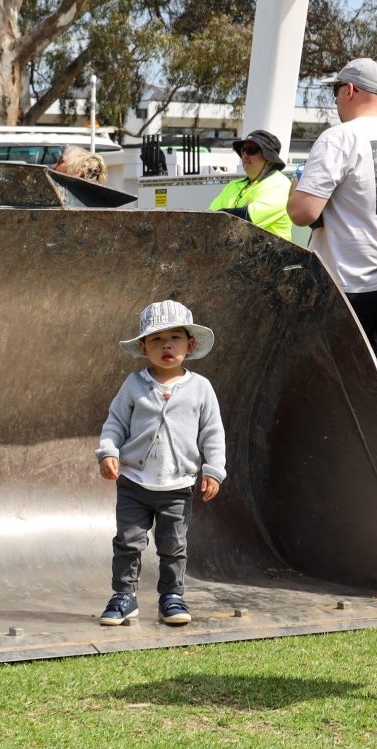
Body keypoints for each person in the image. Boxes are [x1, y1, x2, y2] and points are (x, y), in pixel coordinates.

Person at [95, 299, 226, 628]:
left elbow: (213, 433)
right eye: (156, 339)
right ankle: (123, 597)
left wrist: (213, 471)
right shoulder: (134, 385)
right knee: (128, 540)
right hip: (134, 482)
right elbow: (114, 423)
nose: (166, 345)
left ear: (190, 345)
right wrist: (108, 451)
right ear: (143, 347)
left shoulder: (200, 389)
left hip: (177, 484)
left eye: (175, 338)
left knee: (173, 545)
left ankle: (172, 596)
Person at [285, 59, 377, 385]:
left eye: (335, 92)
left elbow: (304, 212)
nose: (334, 101)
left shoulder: (340, 138)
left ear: (350, 90)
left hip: (347, 282)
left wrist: (294, 190)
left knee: (332, 382)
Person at [207, 129, 295, 241]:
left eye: (252, 150)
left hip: (272, 257)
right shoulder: (233, 186)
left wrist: (221, 213)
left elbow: (245, 220)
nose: (245, 155)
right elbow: (209, 218)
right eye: (243, 150)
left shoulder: (280, 184)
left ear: (268, 158)